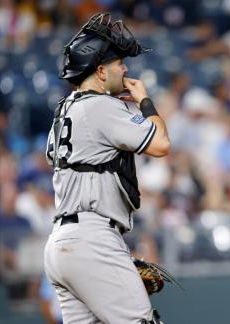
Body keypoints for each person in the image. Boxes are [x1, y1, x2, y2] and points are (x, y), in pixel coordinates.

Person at [43, 12, 170, 324]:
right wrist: (145, 103)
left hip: (61, 244)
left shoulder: (64, 111)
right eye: (119, 64)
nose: (125, 69)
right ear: (100, 70)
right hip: (92, 237)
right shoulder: (100, 106)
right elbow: (161, 145)